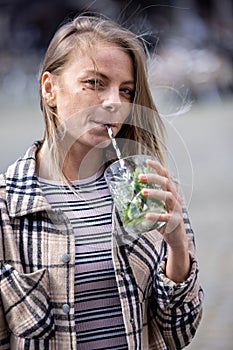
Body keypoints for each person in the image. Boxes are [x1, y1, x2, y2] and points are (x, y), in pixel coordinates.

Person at [0, 13, 203, 350]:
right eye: (95, 83)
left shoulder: (148, 192)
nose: (114, 103)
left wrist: (178, 249)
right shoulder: (7, 207)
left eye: (126, 91)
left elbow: (178, 334)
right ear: (49, 89)